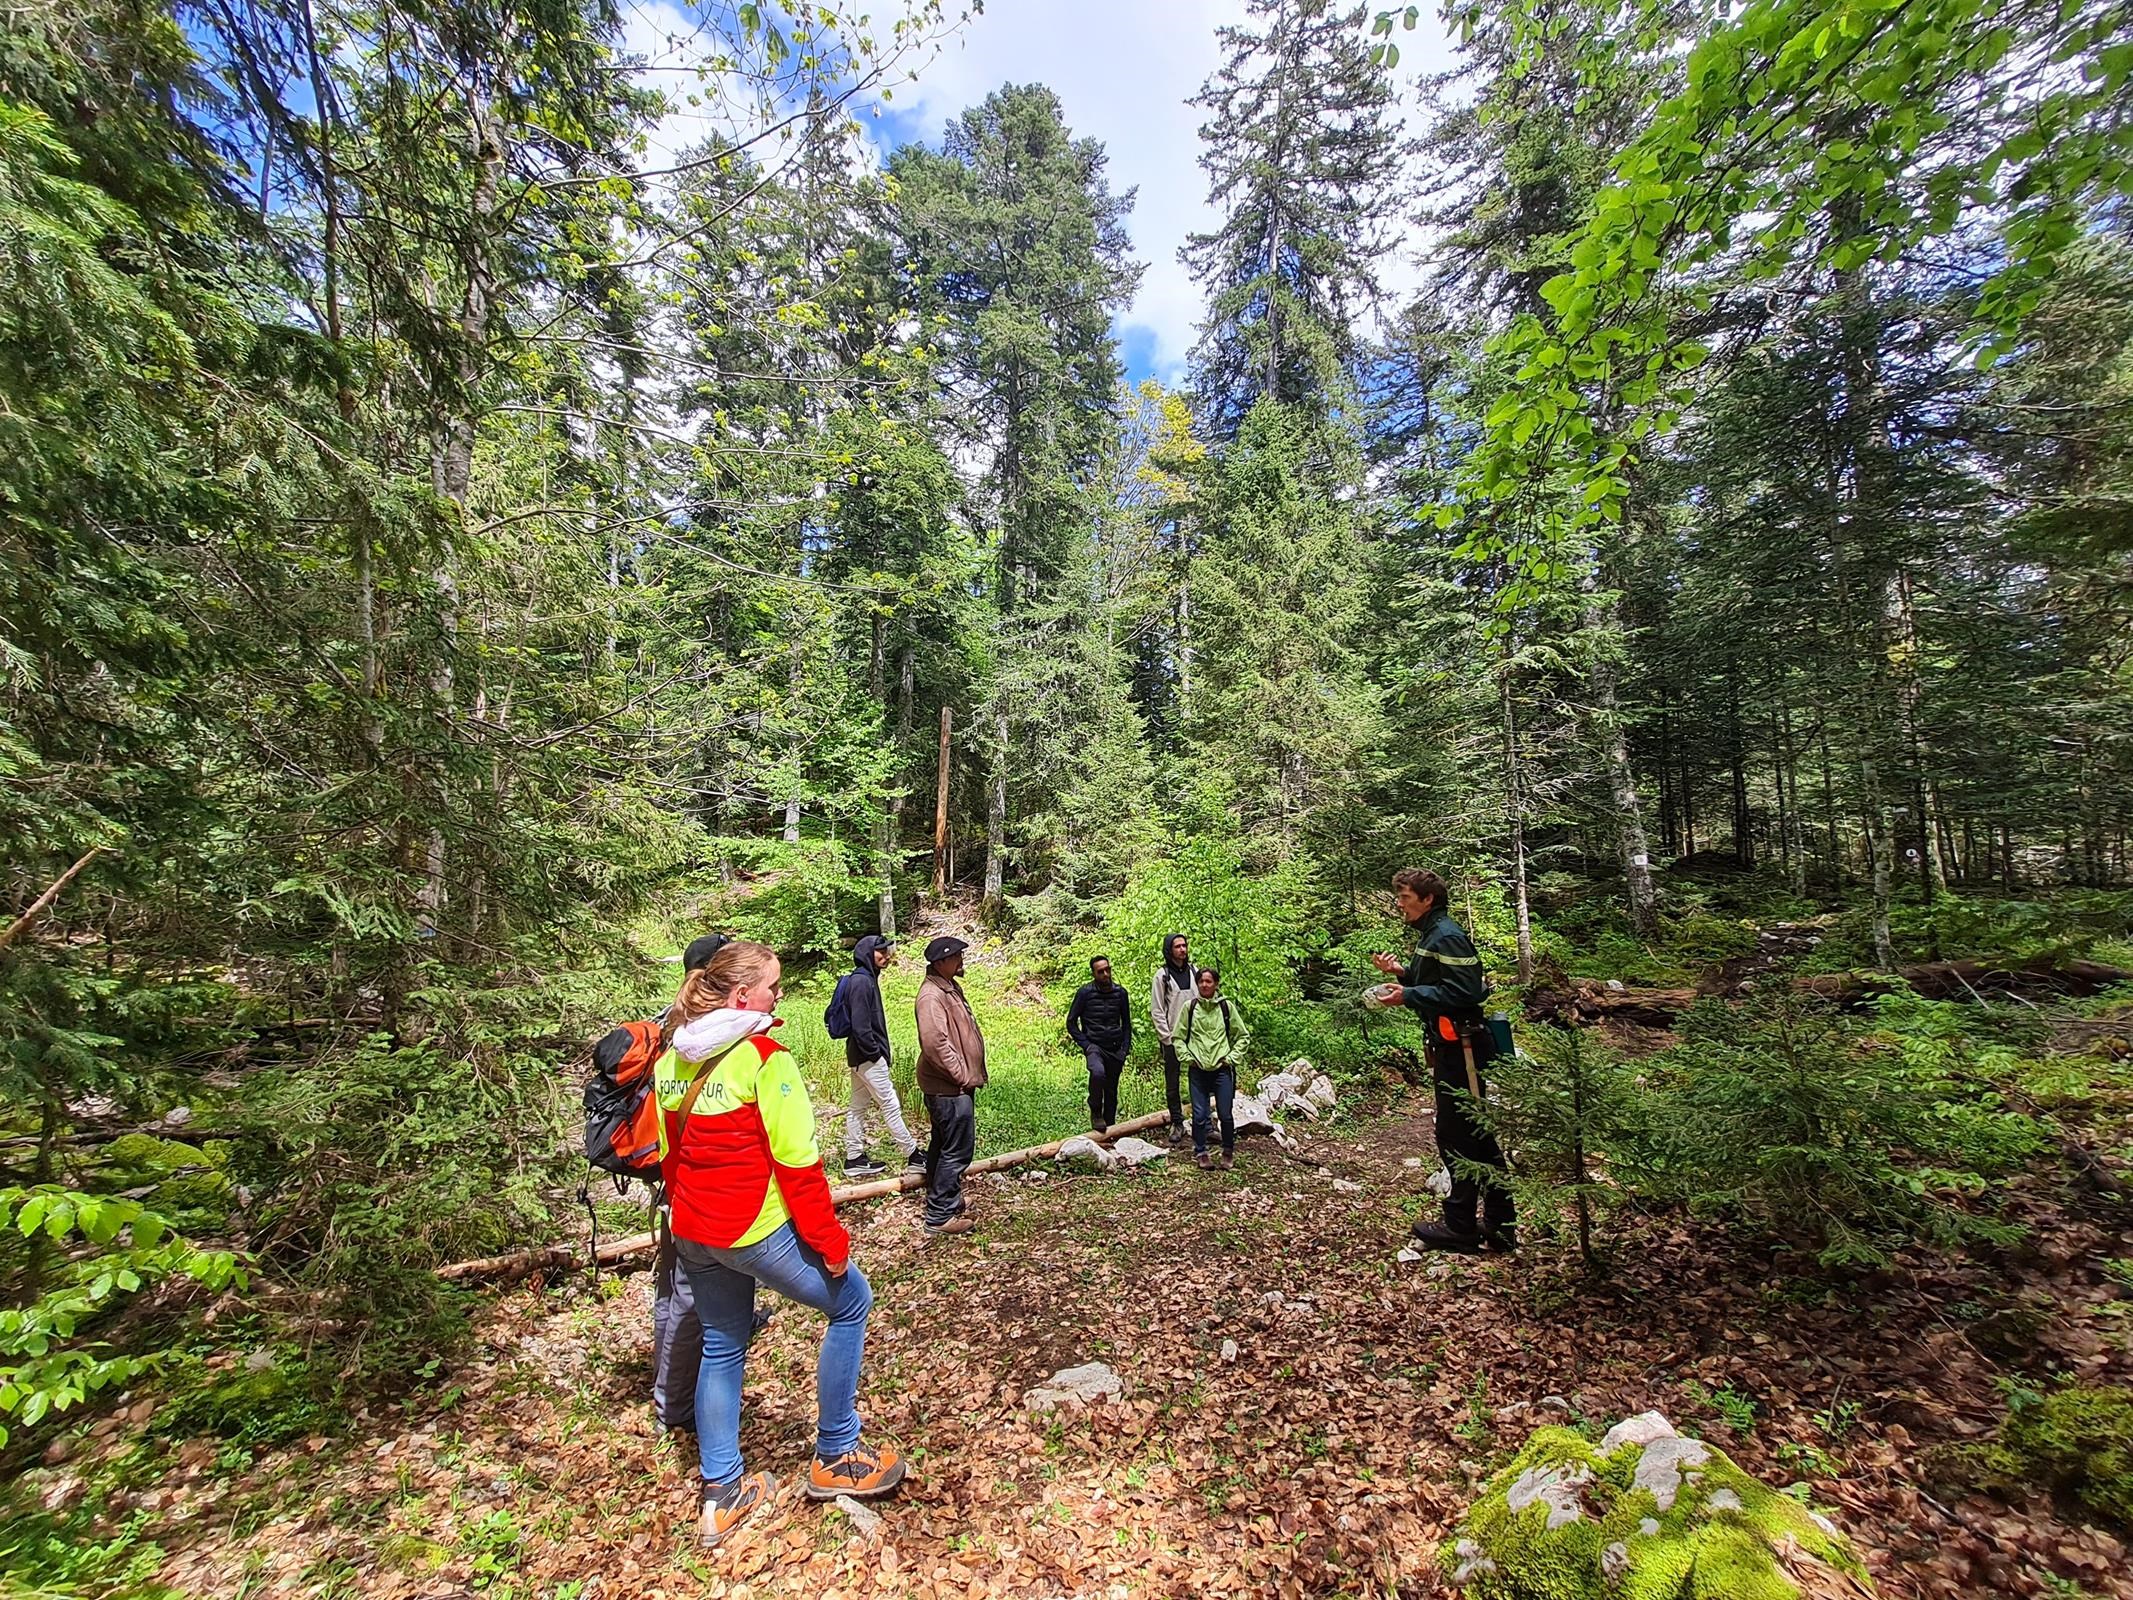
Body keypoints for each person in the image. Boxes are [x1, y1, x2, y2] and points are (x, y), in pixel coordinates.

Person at [656, 940, 905, 1546]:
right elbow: (798, 1164)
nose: (780, 995)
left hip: (691, 1230)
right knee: (851, 1303)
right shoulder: (764, 1059)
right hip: (752, 1228)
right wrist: (830, 1242)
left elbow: (669, 1157)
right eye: (773, 986)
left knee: (721, 1342)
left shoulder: (671, 1061)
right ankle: (839, 1453)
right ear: (744, 995)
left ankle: (722, 1491)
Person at [1370, 868, 1516, 1252]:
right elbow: (1435, 980)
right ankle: (1499, 1226)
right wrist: (1401, 974)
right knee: (1475, 1135)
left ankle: (1462, 1225)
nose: (1399, 904)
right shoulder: (1431, 935)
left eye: (1404, 897)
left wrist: (1408, 996)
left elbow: (1464, 992)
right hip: (1449, 1046)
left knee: (1460, 1136)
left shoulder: (1447, 935)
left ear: (1427, 899)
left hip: (1464, 1048)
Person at [650, 931, 726, 1435]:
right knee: (688, 1294)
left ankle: (668, 1383)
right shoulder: (695, 1030)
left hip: (669, 1173)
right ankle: (672, 1404)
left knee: (673, 1285)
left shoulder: (668, 1021)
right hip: (693, 1181)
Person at [913, 935, 985, 1238]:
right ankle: (939, 1215)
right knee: (956, 1150)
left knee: (943, 1145)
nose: (961, 960)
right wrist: (962, 1075)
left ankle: (946, 1200)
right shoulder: (932, 996)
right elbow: (935, 1043)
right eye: (956, 956)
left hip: (951, 1086)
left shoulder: (947, 988)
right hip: (948, 1087)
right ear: (941, 962)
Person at [838, 934, 923, 1181]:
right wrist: (877, 1055)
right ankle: (913, 1155)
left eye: (887, 953)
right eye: (881, 953)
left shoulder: (866, 979)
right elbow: (861, 1026)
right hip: (867, 1057)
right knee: (890, 1103)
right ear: (867, 953)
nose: (886, 957)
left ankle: (854, 1158)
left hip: (858, 1056)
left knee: (857, 1107)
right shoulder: (862, 982)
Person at [1177, 965, 1248, 1171]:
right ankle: (1201, 1153)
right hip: (1198, 1071)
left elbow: (1242, 1035)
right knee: (1199, 1115)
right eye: (1201, 981)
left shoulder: (1226, 1007)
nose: (1204, 985)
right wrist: (1188, 1058)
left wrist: (1231, 1058)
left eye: (1208, 981)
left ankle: (1227, 1151)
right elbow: (1178, 1037)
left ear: (1216, 984)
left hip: (1222, 1071)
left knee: (1225, 1114)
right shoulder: (1190, 1008)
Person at [1065, 954, 1134, 1134]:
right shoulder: (1085, 993)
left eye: (1107, 970)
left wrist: (1124, 1050)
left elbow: (1126, 1024)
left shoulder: (1120, 993)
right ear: (1094, 974)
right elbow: (1071, 1022)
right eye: (1101, 971)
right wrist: (1086, 1044)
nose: (1105, 974)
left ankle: (1109, 1130)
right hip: (1094, 1046)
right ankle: (1095, 1110)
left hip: (1115, 1047)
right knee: (1097, 1073)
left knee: (1111, 1090)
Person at [1148, 933, 1195, 1143]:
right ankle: (1177, 1122)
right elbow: (1157, 1009)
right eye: (1177, 946)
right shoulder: (1162, 976)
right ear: (1170, 950)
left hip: (1197, 1036)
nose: (1182, 950)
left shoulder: (1195, 971)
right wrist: (1166, 1038)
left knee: (1201, 1078)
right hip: (1173, 1037)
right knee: (1173, 1081)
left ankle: (1204, 1120)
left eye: (1184, 945)